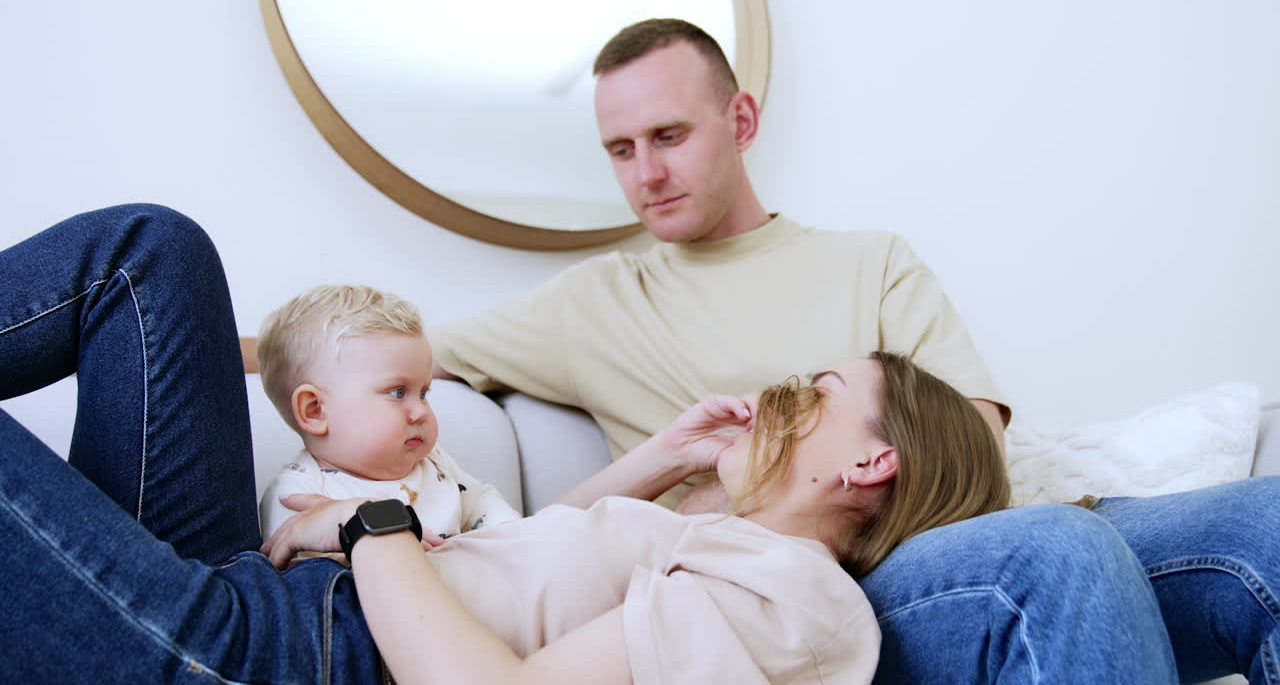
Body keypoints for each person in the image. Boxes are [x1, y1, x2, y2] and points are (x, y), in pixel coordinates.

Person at [418, 19, 1279, 682]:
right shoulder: (594, 303)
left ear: (740, 120)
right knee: (1058, 553)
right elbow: (390, 363)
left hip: (946, 535)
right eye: (620, 149)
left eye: (669, 136)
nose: (645, 173)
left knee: (1266, 524)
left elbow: (966, 446)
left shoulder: (874, 262)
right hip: (795, 581)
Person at [1, 205, 1181, 682]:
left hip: (274, 654)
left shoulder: (790, 596)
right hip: (262, 595)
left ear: (867, 463)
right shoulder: (719, 546)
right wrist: (664, 460)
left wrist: (374, 522)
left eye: (819, 389)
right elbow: (531, 561)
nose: (780, 393)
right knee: (152, 255)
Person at [255, 284, 519, 542]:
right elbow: (298, 563)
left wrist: (513, 536)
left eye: (423, 393)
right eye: (398, 393)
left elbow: (481, 504)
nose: (420, 411)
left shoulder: (435, 462)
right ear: (315, 411)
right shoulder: (296, 495)